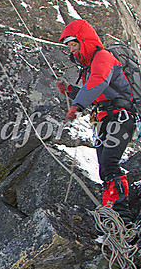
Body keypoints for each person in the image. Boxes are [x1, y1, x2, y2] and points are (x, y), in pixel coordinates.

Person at [56, 19, 135, 222]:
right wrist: (71, 92)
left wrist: (77, 105)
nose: (72, 50)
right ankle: (112, 207)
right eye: (69, 46)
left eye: (74, 44)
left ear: (85, 41)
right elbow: (94, 90)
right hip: (104, 118)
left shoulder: (103, 57)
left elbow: (99, 81)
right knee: (105, 166)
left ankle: (121, 213)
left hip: (119, 116)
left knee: (109, 161)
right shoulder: (88, 68)